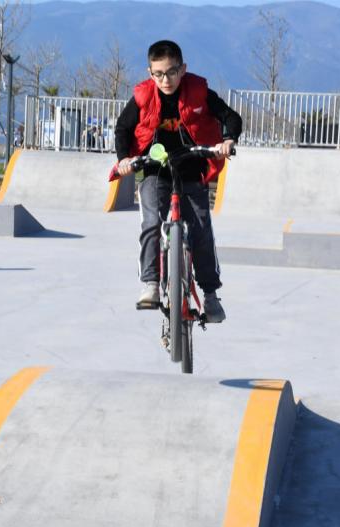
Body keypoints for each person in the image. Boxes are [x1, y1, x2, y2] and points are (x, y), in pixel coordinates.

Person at [115, 39, 242, 323]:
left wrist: (228, 140)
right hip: (154, 170)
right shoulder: (143, 96)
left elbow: (230, 116)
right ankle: (150, 284)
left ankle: (210, 295)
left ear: (182, 69)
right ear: (150, 73)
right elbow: (122, 128)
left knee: (201, 230)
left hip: (191, 167)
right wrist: (124, 158)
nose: (166, 80)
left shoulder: (198, 91)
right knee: (151, 222)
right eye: (158, 74)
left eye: (171, 72)